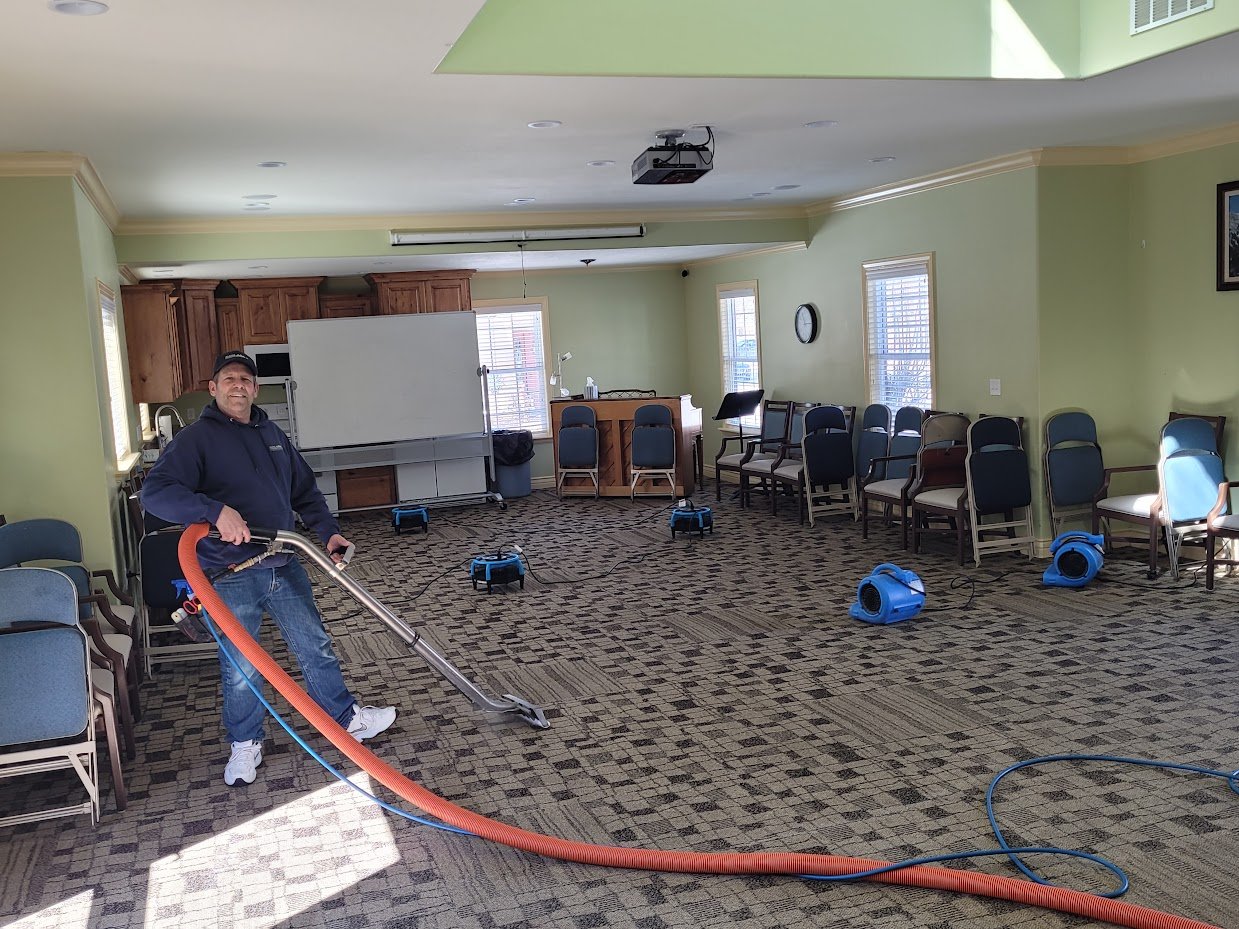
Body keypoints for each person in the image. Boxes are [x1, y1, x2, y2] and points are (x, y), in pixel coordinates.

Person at [142, 350, 396, 786]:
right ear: (214, 387)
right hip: (229, 573)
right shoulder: (197, 439)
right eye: (229, 378)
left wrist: (328, 532)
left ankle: (345, 718)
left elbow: (304, 490)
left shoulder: (272, 433)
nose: (238, 385)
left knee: (313, 644)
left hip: (284, 560)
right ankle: (245, 743)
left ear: (255, 388)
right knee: (242, 665)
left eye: (245, 379)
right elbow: (155, 493)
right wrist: (213, 510)